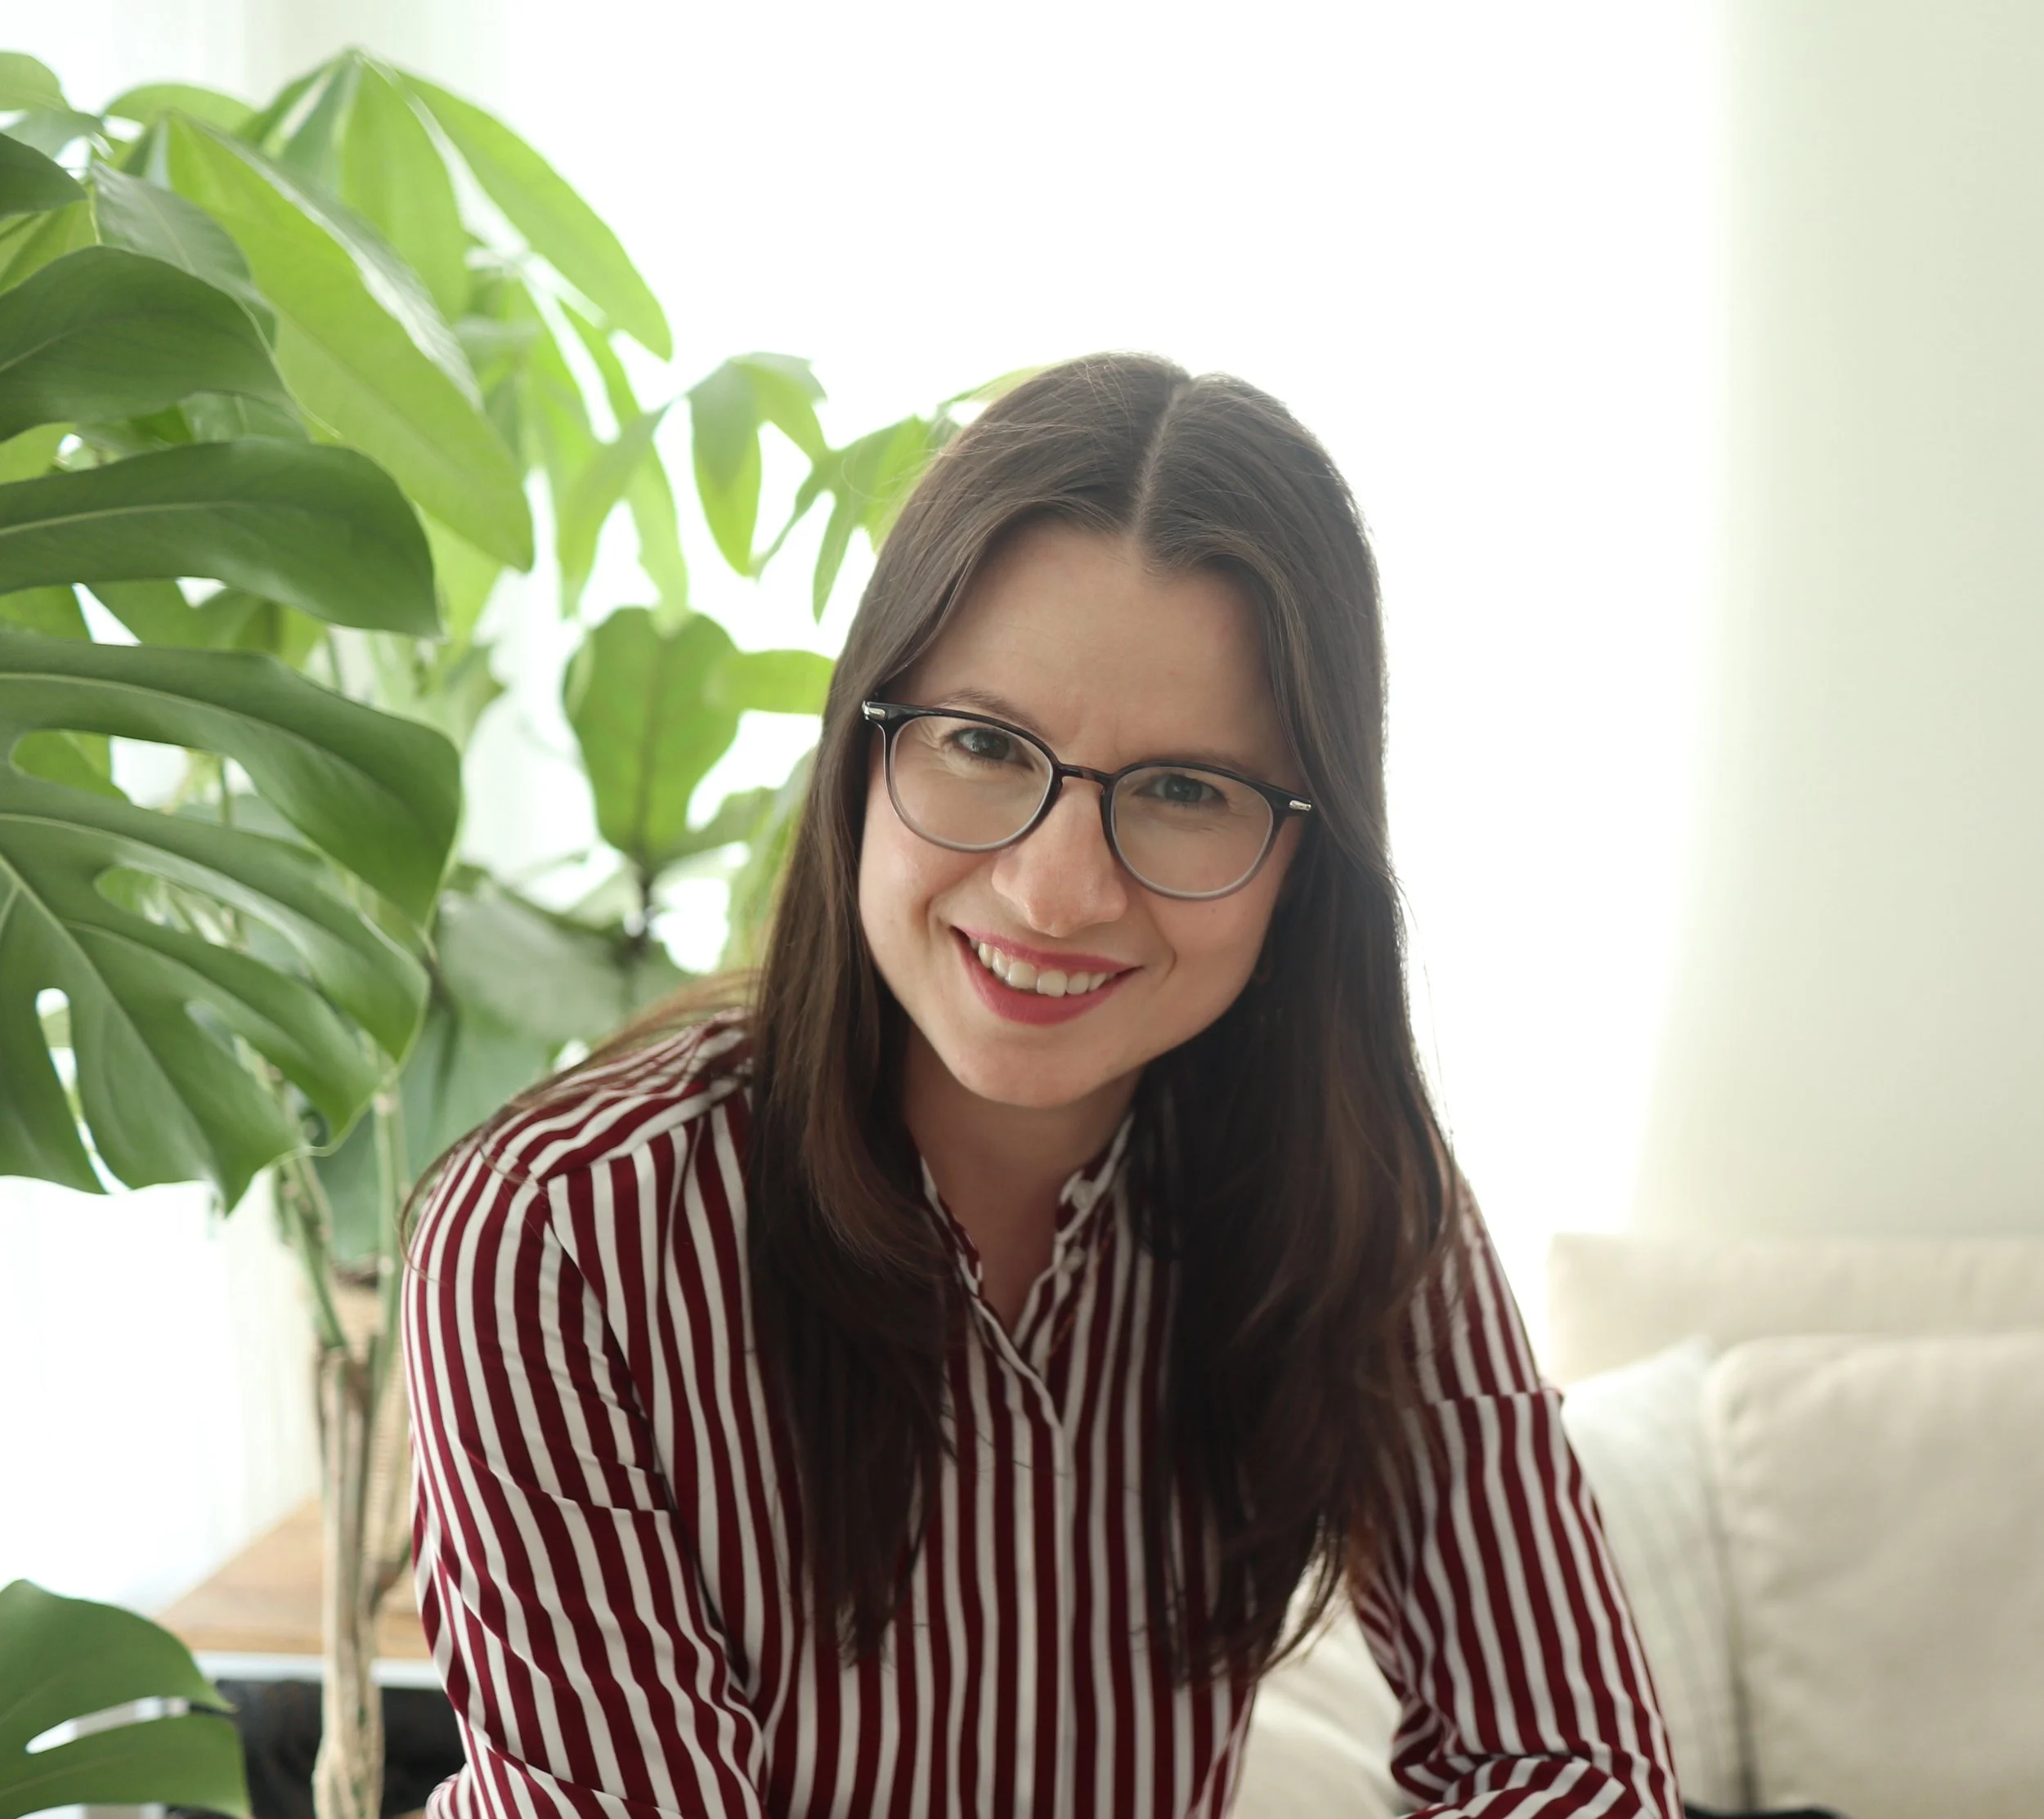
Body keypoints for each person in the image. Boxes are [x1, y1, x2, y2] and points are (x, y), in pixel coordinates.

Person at [401, 353, 1680, 1818]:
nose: (1055, 891)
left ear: (1301, 867)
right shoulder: (559, 1237)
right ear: (859, 751)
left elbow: (1572, 1767)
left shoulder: (1356, 1204)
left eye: (1189, 789)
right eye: (983, 745)